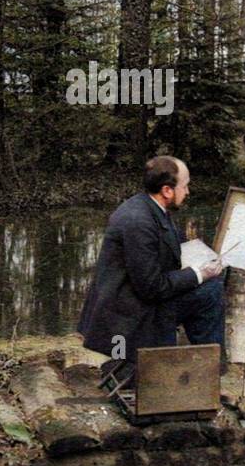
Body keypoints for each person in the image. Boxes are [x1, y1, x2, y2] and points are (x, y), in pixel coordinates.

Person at [77, 156, 225, 371]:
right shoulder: (139, 221)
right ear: (167, 190)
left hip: (133, 301)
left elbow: (169, 244)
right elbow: (152, 288)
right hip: (126, 316)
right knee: (210, 292)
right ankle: (209, 373)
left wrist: (202, 261)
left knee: (208, 288)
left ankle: (200, 369)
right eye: (185, 186)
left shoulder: (148, 207)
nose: (188, 192)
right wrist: (199, 274)